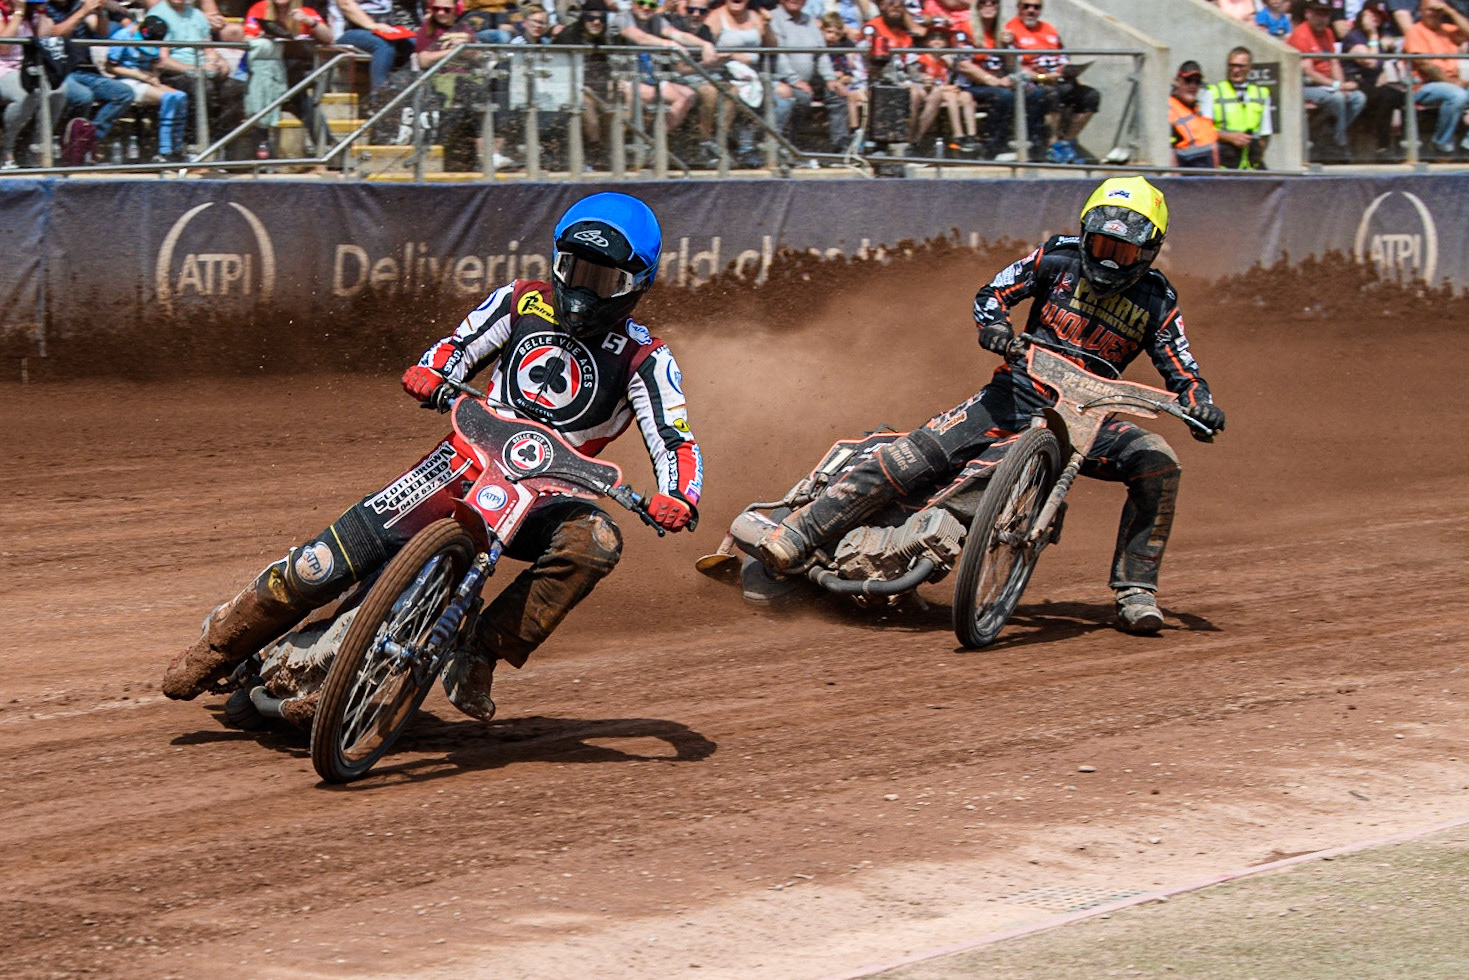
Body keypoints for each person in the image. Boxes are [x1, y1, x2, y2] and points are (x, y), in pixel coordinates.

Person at [163, 192, 704, 723]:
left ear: (634, 287)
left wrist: (679, 495)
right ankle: (218, 648)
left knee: (597, 541)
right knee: (317, 567)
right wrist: (433, 372)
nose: (584, 290)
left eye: (603, 280)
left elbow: (675, 437)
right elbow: (458, 346)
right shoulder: (522, 300)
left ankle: (480, 651)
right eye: (575, 268)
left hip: (545, 499)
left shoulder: (645, 357)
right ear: (557, 262)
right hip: (456, 465)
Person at [755, 176, 1226, 635]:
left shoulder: (1158, 299)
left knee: (1159, 462)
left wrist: (1199, 404)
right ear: (1086, 235)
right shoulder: (1056, 257)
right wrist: (995, 327)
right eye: (1103, 246)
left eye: (1123, 252)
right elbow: (993, 293)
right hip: (1012, 396)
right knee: (914, 454)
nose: (1110, 259)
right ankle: (799, 534)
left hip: (1089, 419)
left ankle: (1136, 591)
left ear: (1147, 252)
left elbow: (1183, 368)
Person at [1005, 0, 1100, 164]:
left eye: (1036, 7)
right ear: (1018, 8)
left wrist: (1070, 72)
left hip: (1058, 78)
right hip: (1034, 83)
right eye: (1026, 6)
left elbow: (1063, 57)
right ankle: (1052, 146)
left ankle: (1067, 143)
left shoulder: (1049, 29)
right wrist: (1042, 78)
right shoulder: (1011, 30)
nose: (1031, 10)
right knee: (1052, 94)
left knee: (1090, 95)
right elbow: (1014, 66)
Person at [148, 0, 246, 151]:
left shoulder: (197, 15)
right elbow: (161, 61)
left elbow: (209, 50)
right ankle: (194, 144)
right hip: (175, 73)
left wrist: (219, 62)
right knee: (203, 87)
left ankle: (220, 143)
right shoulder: (157, 16)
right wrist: (195, 69)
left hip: (202, 70)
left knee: (236, 88)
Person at [44, 0, 134, 158]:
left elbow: (102, 32)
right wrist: (83, 11)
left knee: (124, 93)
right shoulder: (46, 8)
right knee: (84, 96)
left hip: (84, 70)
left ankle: (86, 139)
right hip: (59, 71)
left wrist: (101, 11)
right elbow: (54, 33)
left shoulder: (77, 5)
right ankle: (74, 143)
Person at [769, 0, 850, 157]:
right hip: (783, 80)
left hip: (810, 80)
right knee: (802, 97)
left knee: (837, 92)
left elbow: (821, 54)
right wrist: (793, 80)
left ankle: (840, 147)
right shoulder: (773, 19)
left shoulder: (810, 22)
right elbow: (778, 55)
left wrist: (830, 78)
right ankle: (788, 145)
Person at [106, 13, 189, 161]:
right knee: (169, 97)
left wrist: (154, 76)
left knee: (181, 97)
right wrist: (139, 75)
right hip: (127, 81)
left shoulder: (154, 40)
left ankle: (176, 148)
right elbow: (110, 67)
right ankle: (164, 151)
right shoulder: (123, 35)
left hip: (147, 79)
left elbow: (155, 64)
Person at [1290, 0, 1366, 161]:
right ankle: (1339, 143)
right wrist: (1337, 86)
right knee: (1337, 99)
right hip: (1304, 85)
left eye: (1326, 14)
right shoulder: (1301, 34)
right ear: (1308, 14)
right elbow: (1309, 72)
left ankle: (1328, 139)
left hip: (1327, 85)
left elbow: (1334, 62)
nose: (1322, 18)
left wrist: (1342, 85)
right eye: (1318, 13)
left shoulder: (1328, 33)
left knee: (1358, 98)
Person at [1403, 0, 1469, 157]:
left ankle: (1467, 146)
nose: (1435, 13)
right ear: (1421, 11)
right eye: (1430, 9)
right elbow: (1425, 65)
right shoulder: (1415, 31)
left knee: (1457, 93)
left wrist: (1450, 11)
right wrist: (1453, 82)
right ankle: (1441, 144)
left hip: (1454, 82)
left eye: (1438, 10)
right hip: (1425, 85)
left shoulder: (1446, 30)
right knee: (1457, 95)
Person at [1341, 1, 1405, 160]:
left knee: (1404, 95)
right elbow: (1371, 62)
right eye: (1372, 14)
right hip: (1356, 83)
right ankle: (1382, 147)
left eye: (1379, 16)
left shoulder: (1381, 40)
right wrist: (1373, 36)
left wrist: (1384, 75)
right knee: (1385, 96)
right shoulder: (1354, 36)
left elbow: (1384, 65)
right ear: (1362, 15)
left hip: (1376, 85)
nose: (1375, 19)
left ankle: (1405, 145)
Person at [1202, 46, 1274, 168]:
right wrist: (1230, 137)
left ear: (1250, 68)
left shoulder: (1261, 94)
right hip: (1224, 160)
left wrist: (1257, 155)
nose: (1236, 70)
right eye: (1232, 65)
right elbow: (1202, 131)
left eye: (1241, 66)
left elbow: (1264, 134)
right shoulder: (1213, 92)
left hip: (1251, 162)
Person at [1169, 60, 1219, 167]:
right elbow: (1170, 152)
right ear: (1178, 81)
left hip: (1208, 175)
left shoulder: (1199, 108)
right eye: (1188, 80)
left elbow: (1211, 145)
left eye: (1197, 82)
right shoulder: (1169, 108)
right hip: (1188, 177)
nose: (1193, 85)